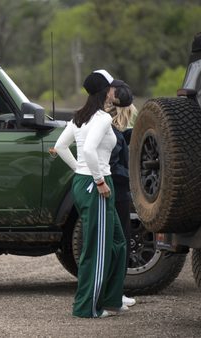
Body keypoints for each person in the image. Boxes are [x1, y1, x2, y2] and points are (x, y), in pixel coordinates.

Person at [53, 70, 128, 318]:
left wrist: (79, 169)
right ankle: (87, 308)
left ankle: (112, 299)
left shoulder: (79, 117)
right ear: (106, 91)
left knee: (117, 242)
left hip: (85, 181)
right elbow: (90, 150)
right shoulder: (102, 118)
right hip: (97, 184)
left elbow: (61, 147)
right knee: (96, 249)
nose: (115, 91)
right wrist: (96, 180)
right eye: (111, 87)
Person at [108, 82, 138, 308]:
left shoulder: (116, 133)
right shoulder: (113, 134)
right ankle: (115, 292)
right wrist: (131, 176)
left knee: (119, 242)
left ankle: (116, 290)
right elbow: (113, 165)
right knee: (121, 242)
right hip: (117, 192)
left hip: (117, 191)